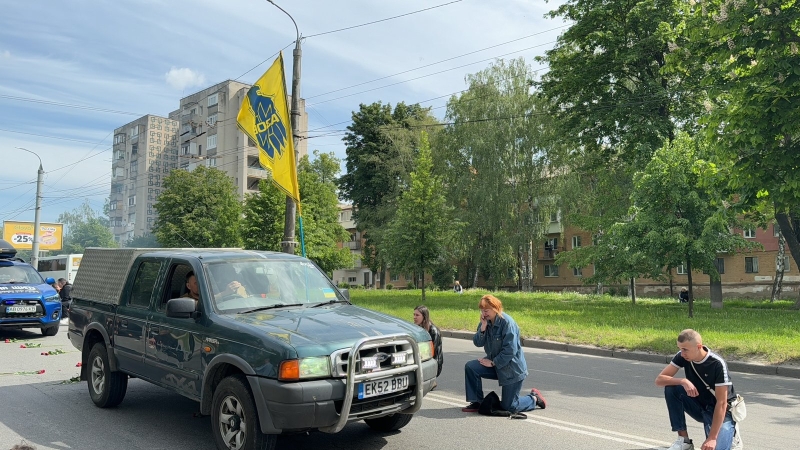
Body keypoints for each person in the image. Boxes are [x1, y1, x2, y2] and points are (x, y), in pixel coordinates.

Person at [655, 329, 742, 450]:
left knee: (715, 447)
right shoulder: (682, 356)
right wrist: (682, 381)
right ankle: (684, 441)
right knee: (672, 388)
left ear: (699, 346)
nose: (682, 353)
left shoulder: (717, 363)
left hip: (720, 410)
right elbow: (659, 380)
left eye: (685, 349)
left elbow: (721, 403)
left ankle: (732, 434)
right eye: (680, 348)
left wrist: (712, 438)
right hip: (699, 405)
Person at [462, 294, 547, 415]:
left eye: (486, 310)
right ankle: (477, 402)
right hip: (495, 365)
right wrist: (483, 328)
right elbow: (478, 342)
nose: (483, 313)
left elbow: (510, 350)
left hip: (511, 369)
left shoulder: (507, 323)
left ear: (495, 309)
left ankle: (534, 398)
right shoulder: (485, 322)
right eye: (481, 310)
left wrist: (493, 362)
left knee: (509, 406)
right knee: (471, 367)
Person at [413, 305, 443, 376]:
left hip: (433, 363)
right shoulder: (418, 328)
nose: (414, 317)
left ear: (424, 317)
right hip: (421, 360)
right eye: (414, 314)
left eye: (417, 315)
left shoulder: (433, 331)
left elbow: (432, 352)